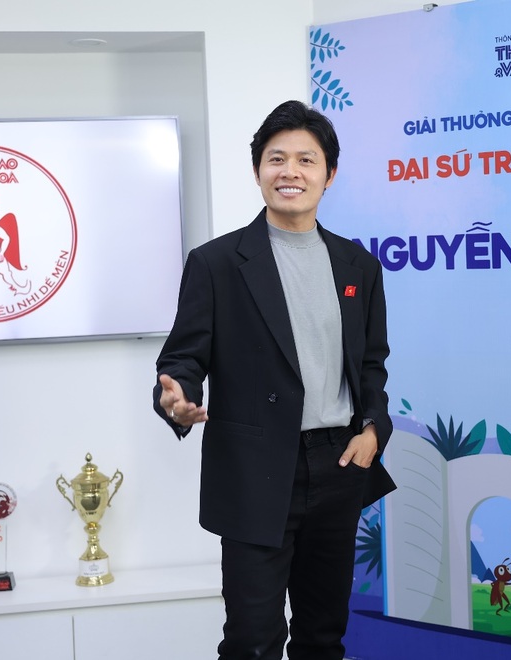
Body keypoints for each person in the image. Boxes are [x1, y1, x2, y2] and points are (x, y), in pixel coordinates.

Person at [152, 100, 395, 660]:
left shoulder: (358, 266)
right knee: (252, 641)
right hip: (254, 470)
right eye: (276, 158)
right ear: (258, 170)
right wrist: (178, 399)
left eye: (307, 160)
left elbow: (371, 364)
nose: (291, 172)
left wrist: (373, 430)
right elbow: (183, 357)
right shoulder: (216, 263)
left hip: (338, 466)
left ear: (329, 174)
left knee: (323, 638)